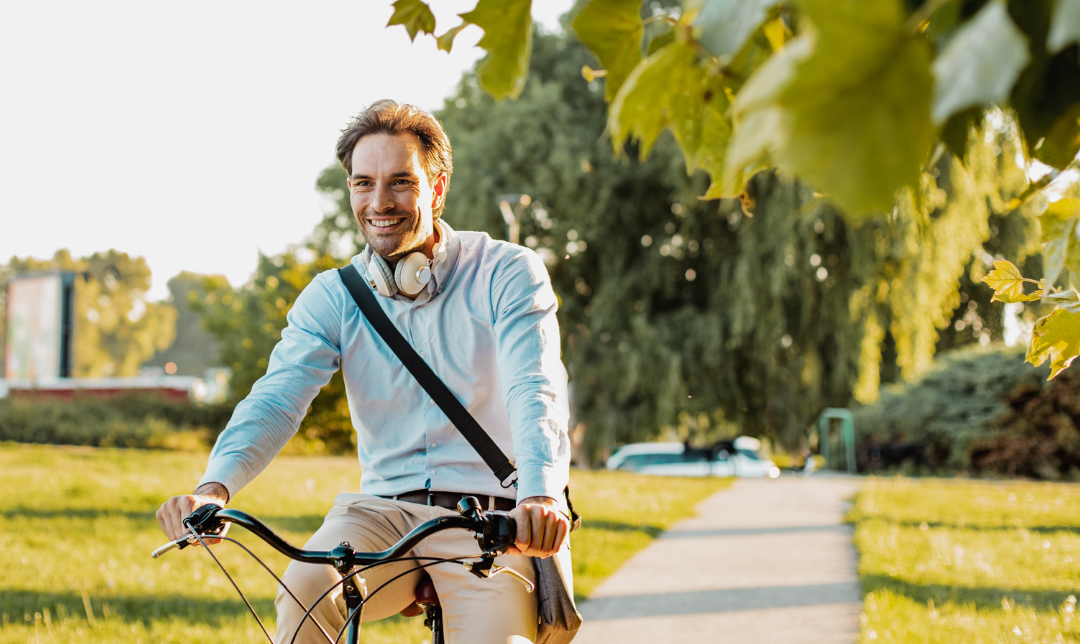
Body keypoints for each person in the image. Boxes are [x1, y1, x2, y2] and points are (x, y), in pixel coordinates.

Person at [156, 100, 572, 644]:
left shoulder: (507, 272)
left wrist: (540, 496)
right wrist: (214, 488)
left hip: (491, 522)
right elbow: (277, 399)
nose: (380, 202)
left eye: (401, 182)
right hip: (380, 514)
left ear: (438, 188)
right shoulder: (334, 296)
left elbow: (533, 385)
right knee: (305, 585)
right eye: (363, 183)